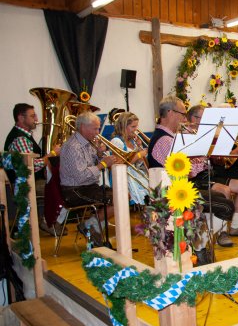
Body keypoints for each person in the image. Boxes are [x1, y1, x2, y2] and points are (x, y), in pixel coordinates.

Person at [148, 96, 235, 249]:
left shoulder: (170, 137)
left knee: (222, 200)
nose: (184, 119)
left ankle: (199, 244)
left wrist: (201, 157)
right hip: (172, 195)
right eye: (182, 114)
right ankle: (198, 246)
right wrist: (203, 161)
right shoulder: (165, 140)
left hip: (180, 190)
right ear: (170, 112)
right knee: (226, 206)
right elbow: (183, 172)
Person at [185, 106, 238, 240]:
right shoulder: (188, 135)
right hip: (198, 177)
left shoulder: (212, 134)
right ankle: (221, 232)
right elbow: (224, 163)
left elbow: (223, 161)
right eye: (204, 118)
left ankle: (234, 226)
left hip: (212, 173)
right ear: (194, 119)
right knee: (225, 191)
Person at [4, 103, 66, 236]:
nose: (36, 119)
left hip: (31, 180)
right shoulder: (20, 138)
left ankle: (50, 220)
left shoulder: (25, 136)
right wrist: (53, 154)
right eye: (32, 116)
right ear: (21, 118)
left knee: (64, 184)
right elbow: (30, 165)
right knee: (65, 188)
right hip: (24, 184)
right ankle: (49, 222)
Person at [59, 112, 118, 246]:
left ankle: (92, 226)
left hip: (89, 186)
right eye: (95, 128)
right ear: (83, 127)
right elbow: (81, 176)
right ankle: (90, 226)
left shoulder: (88, 144)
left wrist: (99, 153)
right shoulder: (72, 147)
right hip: (74, 190)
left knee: (123, 196)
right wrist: (103, 164)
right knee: (117, 199)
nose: (98, 132)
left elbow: (93, 164)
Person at [110, 112, 149, 206]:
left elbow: (138, 163)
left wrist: (139, 147)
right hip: (124, 176)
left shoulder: (132, 141)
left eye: (136, 126)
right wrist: (139, 154)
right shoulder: (116, 141)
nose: (136, 130)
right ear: (124, 126)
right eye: (133, 126)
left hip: (135, 172)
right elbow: (121, 164)